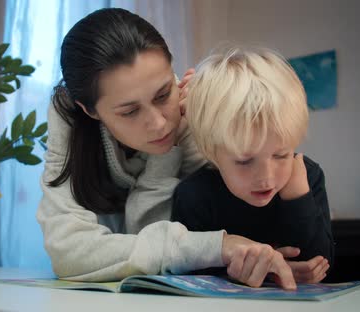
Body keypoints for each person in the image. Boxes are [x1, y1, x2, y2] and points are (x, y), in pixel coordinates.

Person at [37, 8, 296, 289]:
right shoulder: (69, 119)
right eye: (130, 111)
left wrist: (264, 258)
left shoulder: (196, 110)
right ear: (89, 110)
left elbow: (234, 220)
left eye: (164, 94)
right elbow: (69, 253)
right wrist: (219, 245)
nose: (160, 124)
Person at [172, 45, 334, 284]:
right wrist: (256, 271)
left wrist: (297, 198)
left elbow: (320, 264)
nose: (266, 177)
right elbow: (190, 273)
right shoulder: (194, 196)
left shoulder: (307, 176)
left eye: (281, 155)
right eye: (244, 161)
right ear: (212, 152)